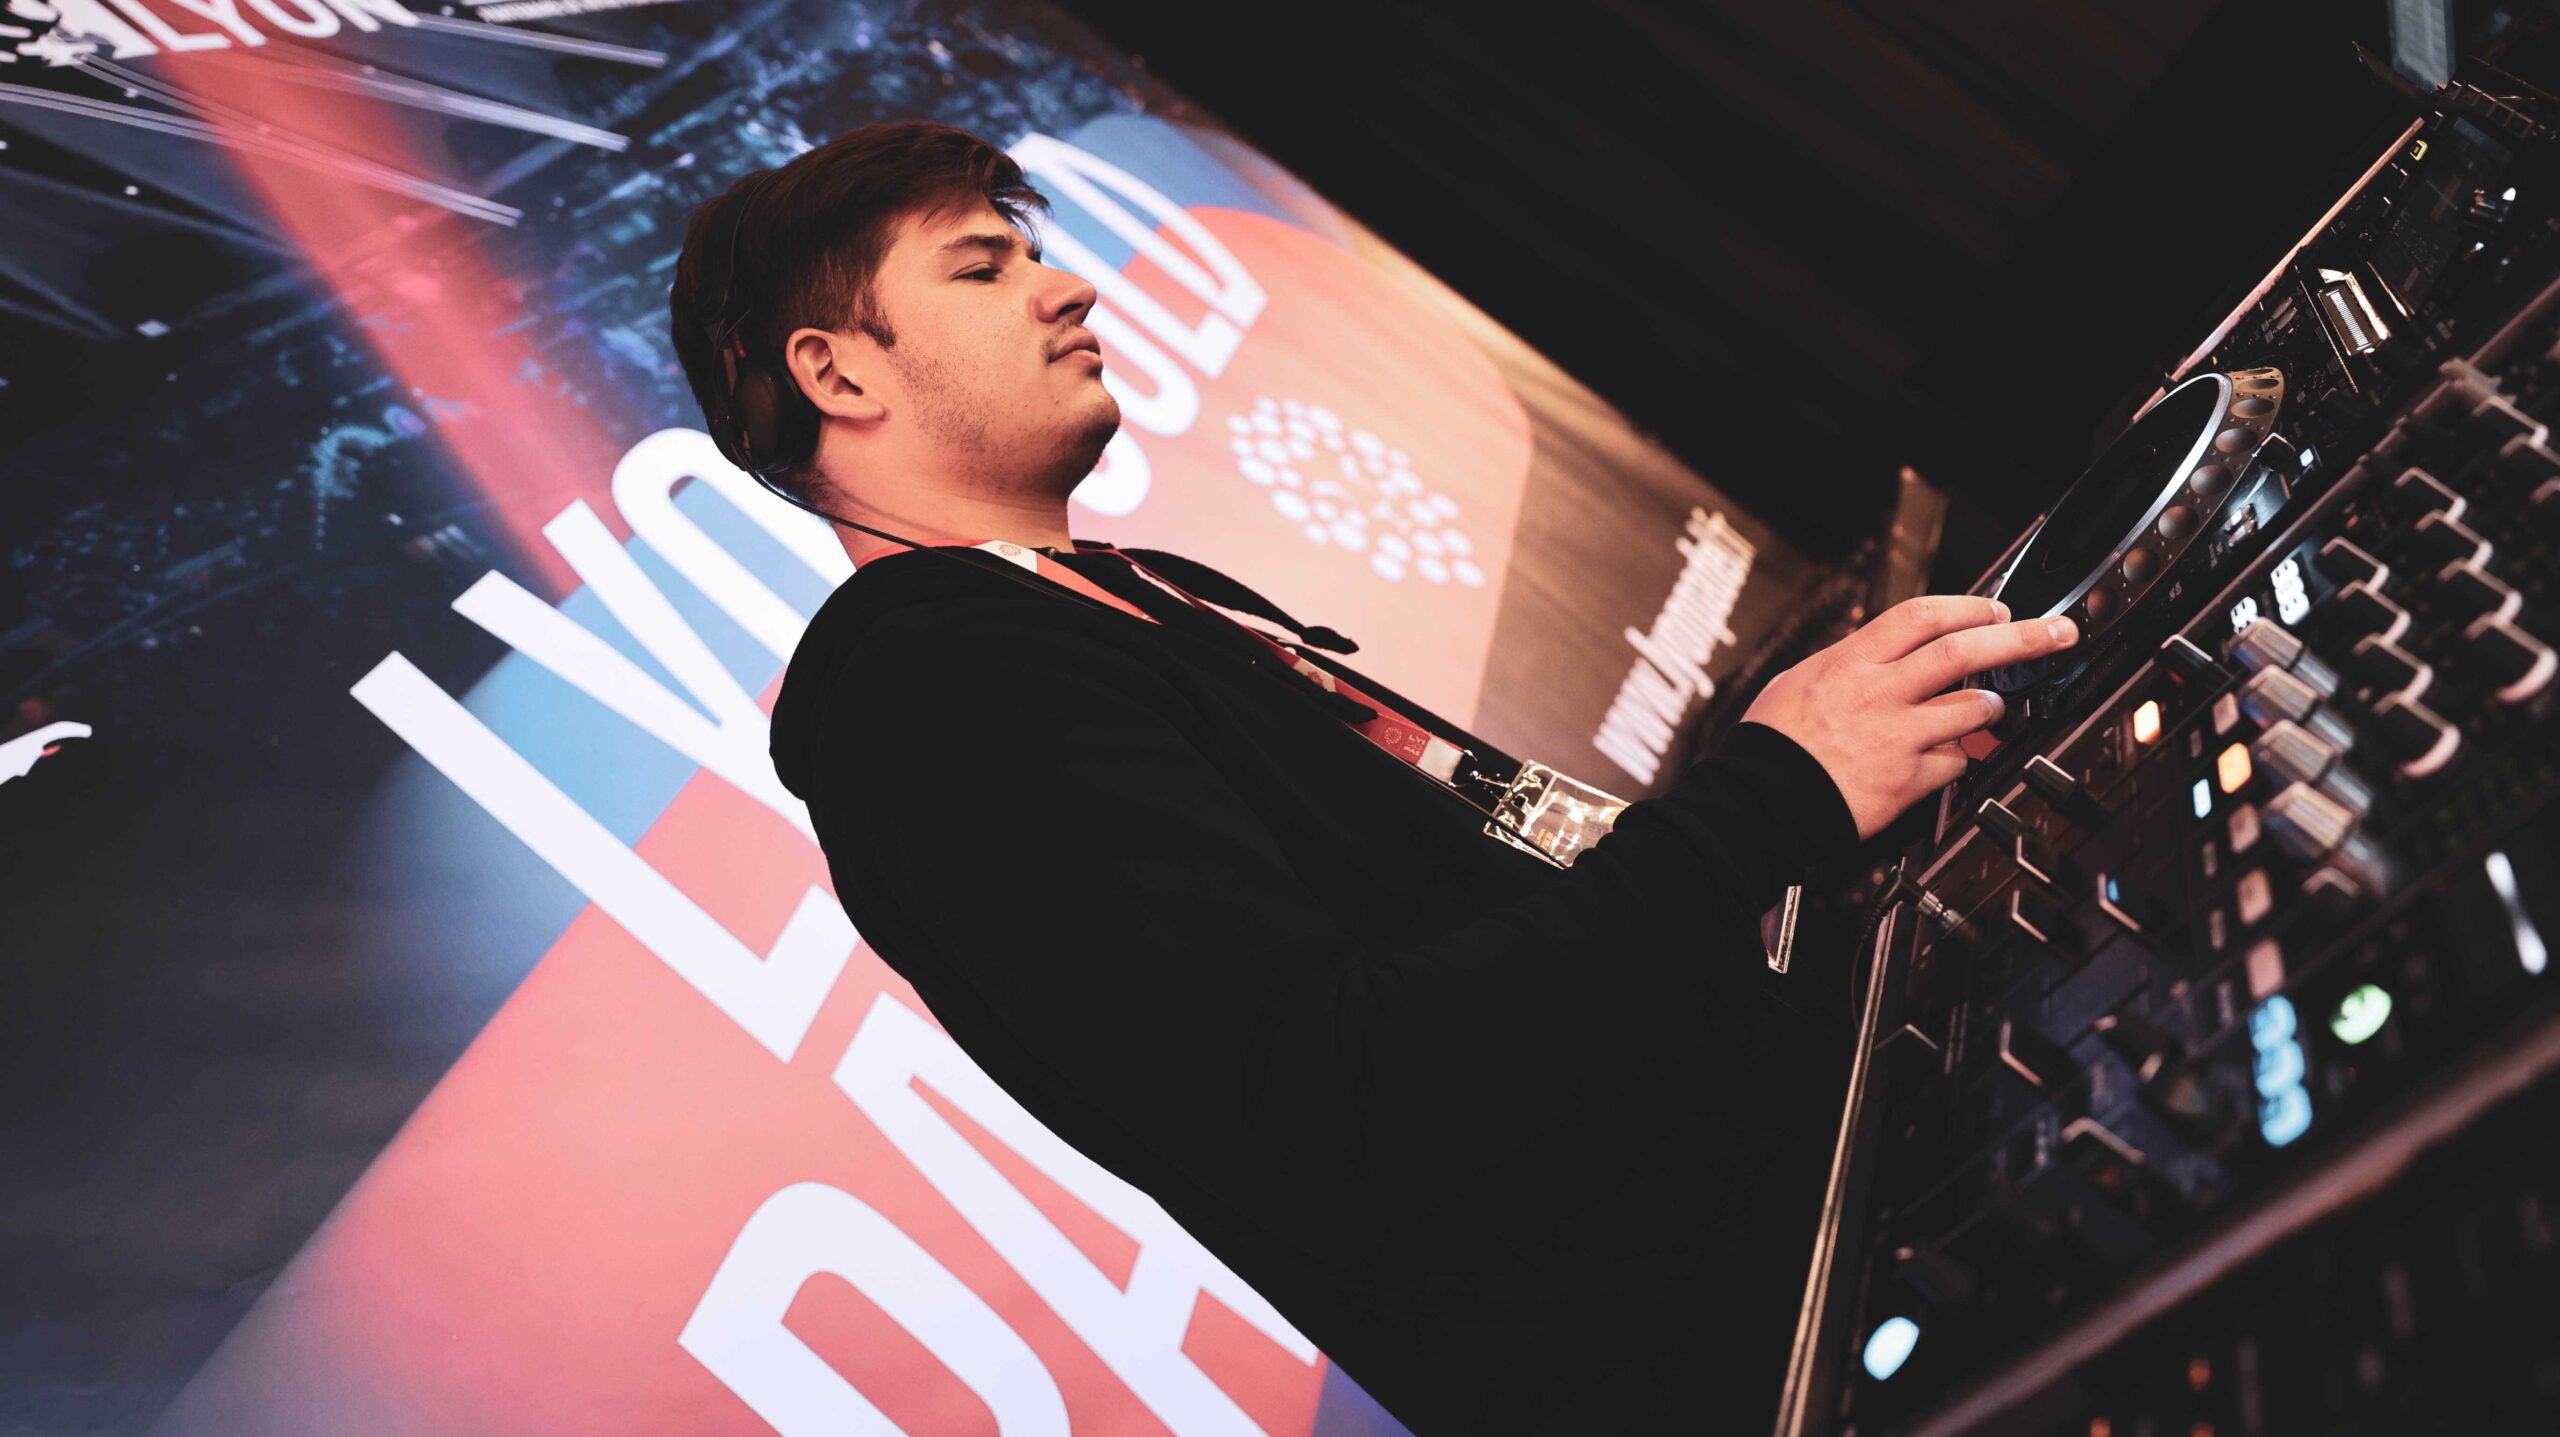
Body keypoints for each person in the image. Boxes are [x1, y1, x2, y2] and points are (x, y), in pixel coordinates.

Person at [669, 121, 2076, 1433]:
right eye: (983, 268)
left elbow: (1485, 922)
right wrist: (1769, 797)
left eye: (1030, 252)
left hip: (1849, 1220)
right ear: (836, 375)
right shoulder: (935, 702)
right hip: (1757, 1360)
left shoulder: (1100, 603)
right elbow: (1347, 1107)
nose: (1069, 288)